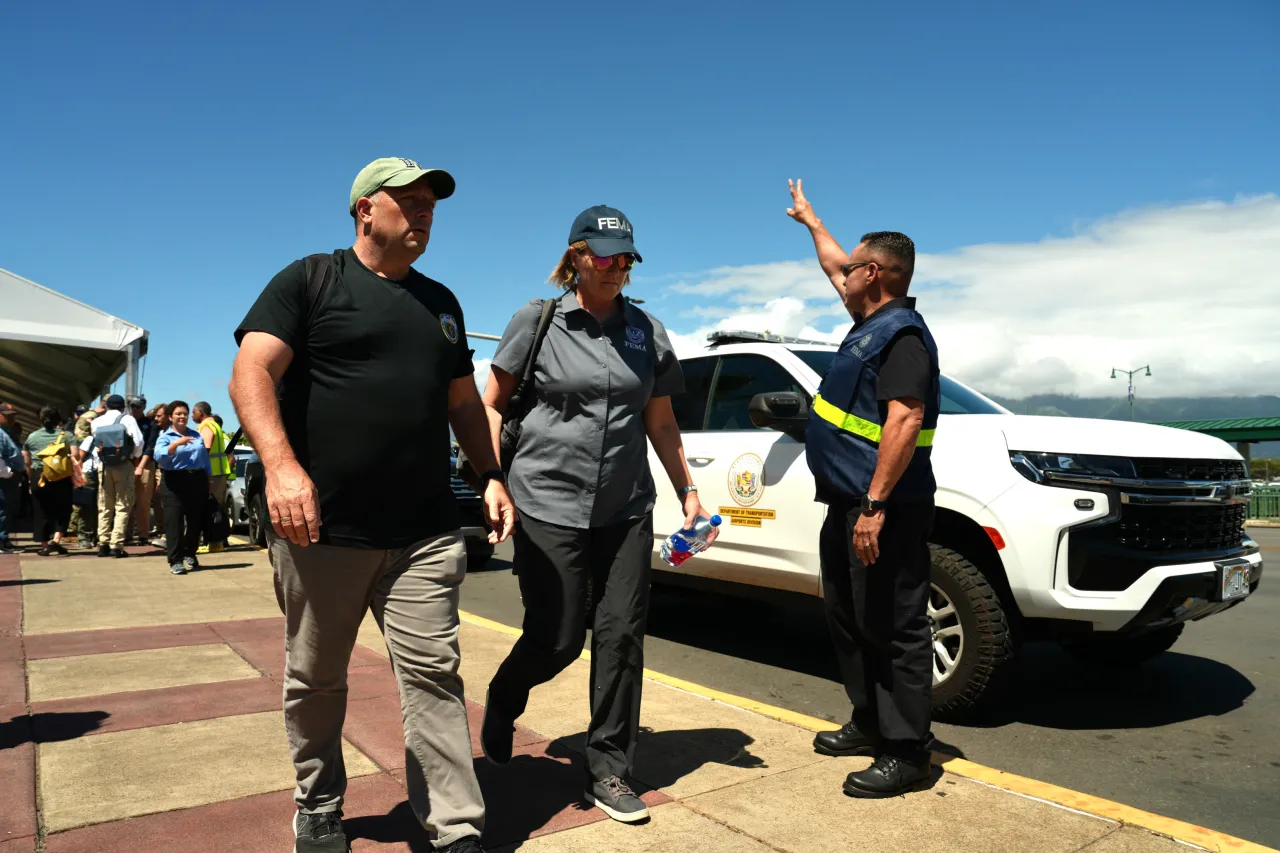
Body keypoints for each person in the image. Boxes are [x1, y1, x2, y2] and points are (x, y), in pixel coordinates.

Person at [229, 157, 514, 853]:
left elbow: (462, 406)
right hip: (323, 529)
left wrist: (491, 475)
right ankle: (319, 803)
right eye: (409, 201)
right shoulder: (310, 280)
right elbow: (250, 372)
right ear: (365, 209)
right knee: (318, 678)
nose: (424, 213)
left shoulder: (441, 304)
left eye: (431, 204)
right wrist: (281, 467)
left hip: (423, 533)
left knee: (433, 678)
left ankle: (455, 825)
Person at [478, 206, 712, 825]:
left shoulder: (648, 331)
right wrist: (492, 478)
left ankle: (609, 767)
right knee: (556, 638)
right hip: (547, 502)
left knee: (621, 634)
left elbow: (660, 420)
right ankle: (504, 698)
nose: (616, 269)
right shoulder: (540, 320)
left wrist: (688, 491)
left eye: (626, 258)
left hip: (625, 507)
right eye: (605, 257)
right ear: (577, 255)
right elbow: (493, 404)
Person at [786, 180, 941, 797]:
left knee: (896, 625)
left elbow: (904, 419)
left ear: (873, 273)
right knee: (850, 618)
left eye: (851, 269)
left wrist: (875, 505)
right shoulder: (868, 322)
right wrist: (812, 222)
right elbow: (834, 264)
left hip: (886, 508)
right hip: (848, 504)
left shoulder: (902, 336)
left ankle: (907, 752)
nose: (839, 276)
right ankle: (869, 721)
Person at [154, 401, 211, 574]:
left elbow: (204, 458)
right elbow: (159, 456)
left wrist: (209, 478)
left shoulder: (197, 434)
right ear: (170, 417)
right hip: (174, 480)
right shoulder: (165, 437)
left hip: (197, 479)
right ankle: (175, 560)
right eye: (178, 414)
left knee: (195, 520)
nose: (182, 417)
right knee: (174, 521)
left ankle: (190, 553)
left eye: (185, 413)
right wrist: (176, 444)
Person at [86, 394, 145, 558]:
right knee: (123, 504)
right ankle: (116, 545)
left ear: (106, 406)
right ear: (122, 407)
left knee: (104, 505)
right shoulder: (127, 419)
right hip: (123, 465)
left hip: (104, 466)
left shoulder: (97, 422)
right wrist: (133, 456)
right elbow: (139, 441)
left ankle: (103, 543)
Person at [22, 406, 75, 557]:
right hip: (61, 476)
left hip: (39, 476)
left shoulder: (32, 437)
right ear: (58, 419)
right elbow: (76, 455)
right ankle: (56, 540)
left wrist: (30, 479)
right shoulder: (66, 435)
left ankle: (44, 546)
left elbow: (26, 460)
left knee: (40, 511)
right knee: (63, 508)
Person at [192, 401, 231, 552]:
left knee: (210, 508)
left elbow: (205, 448)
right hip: (218, 472)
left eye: (193, 412)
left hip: (211, 473)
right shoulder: (215, 425)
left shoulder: (206, 427)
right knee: (217, 508)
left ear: (200, 412)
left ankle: (214, 542)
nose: (191, 415)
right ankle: (218, 541)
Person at [68, 398, 104, 544]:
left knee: (101, 507)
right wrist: (79, 476)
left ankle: (96, 535)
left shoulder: (106, 439)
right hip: (89, 473)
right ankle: (84, 535)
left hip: (103, 472)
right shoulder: (89, 440)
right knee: (87, 505)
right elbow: (79, 458)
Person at [128, 396, 159, 546]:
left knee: (143, 502)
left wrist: (140, 466)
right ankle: (126, 534)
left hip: (145, 464)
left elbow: (150, 447)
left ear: (143, 407)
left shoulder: (151, 424)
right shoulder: (126, 422)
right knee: (126, 502)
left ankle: (143, 534)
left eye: (138, 406)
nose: (134, 409)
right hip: (127, 465)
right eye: (132, 406)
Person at [0, 404, 23, 554]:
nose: (12, 419)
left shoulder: (5, 432)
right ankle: (2, 541)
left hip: (7, 476)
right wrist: (7, 472)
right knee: (2, 509)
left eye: (13, 416)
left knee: (5, 508)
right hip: (3, 477)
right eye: (8, 416)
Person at [148, 404, 171, 544]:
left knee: (167, 502)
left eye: (158, 416)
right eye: (155, 416)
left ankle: (169, 533)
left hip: (168, 470)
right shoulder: (157, 431)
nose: (156, 419)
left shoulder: (174, 433)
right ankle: (162, 529)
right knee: (158, 501)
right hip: (158, 469)